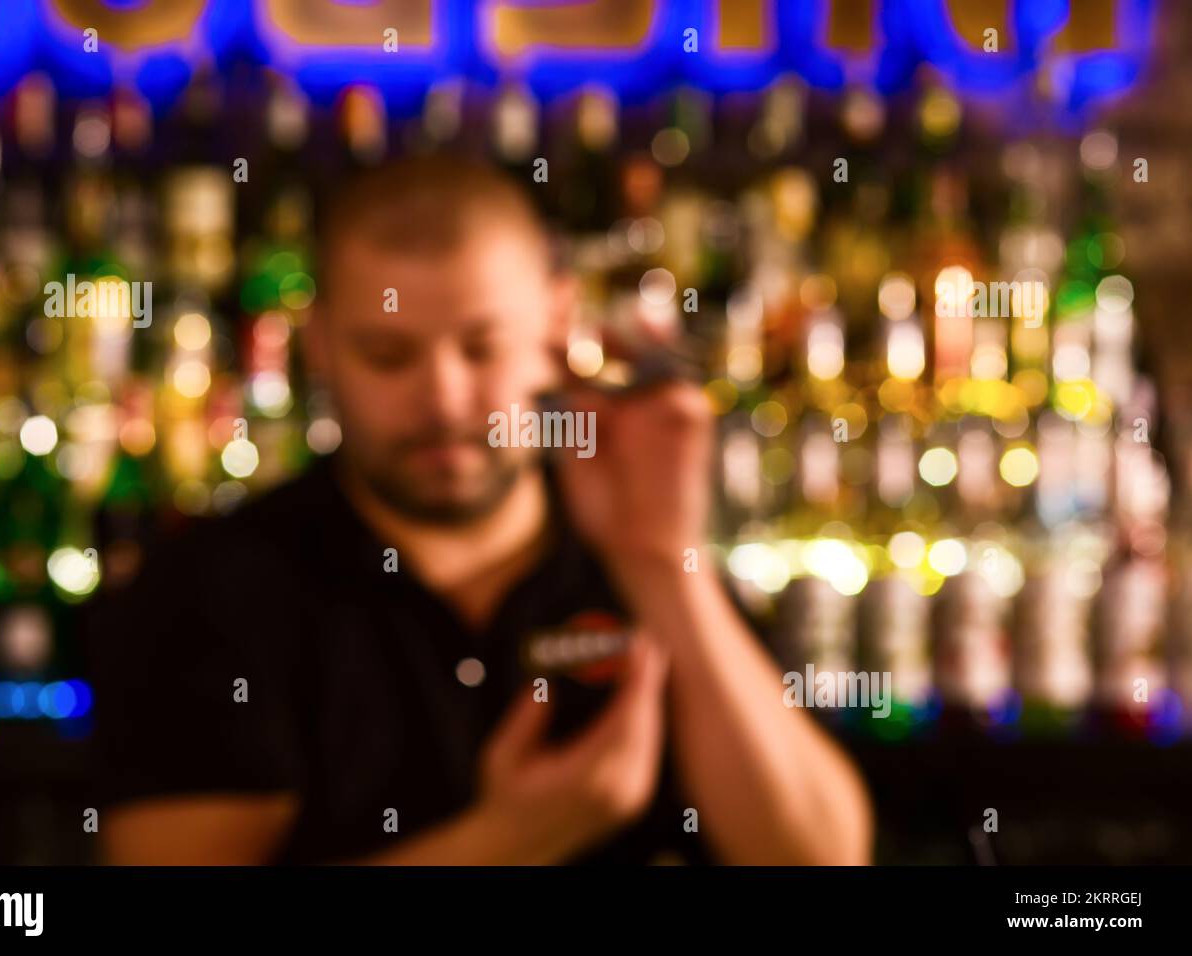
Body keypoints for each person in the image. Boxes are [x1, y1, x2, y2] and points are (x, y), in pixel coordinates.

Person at [86, 153, 873, 865]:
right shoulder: (215, 591)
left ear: (558, 324)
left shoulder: (635, 555)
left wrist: (662, 564)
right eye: (388, 355)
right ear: (318, 345)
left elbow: (821, 857)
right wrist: (518, 838)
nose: (444, 399)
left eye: (482, 347)